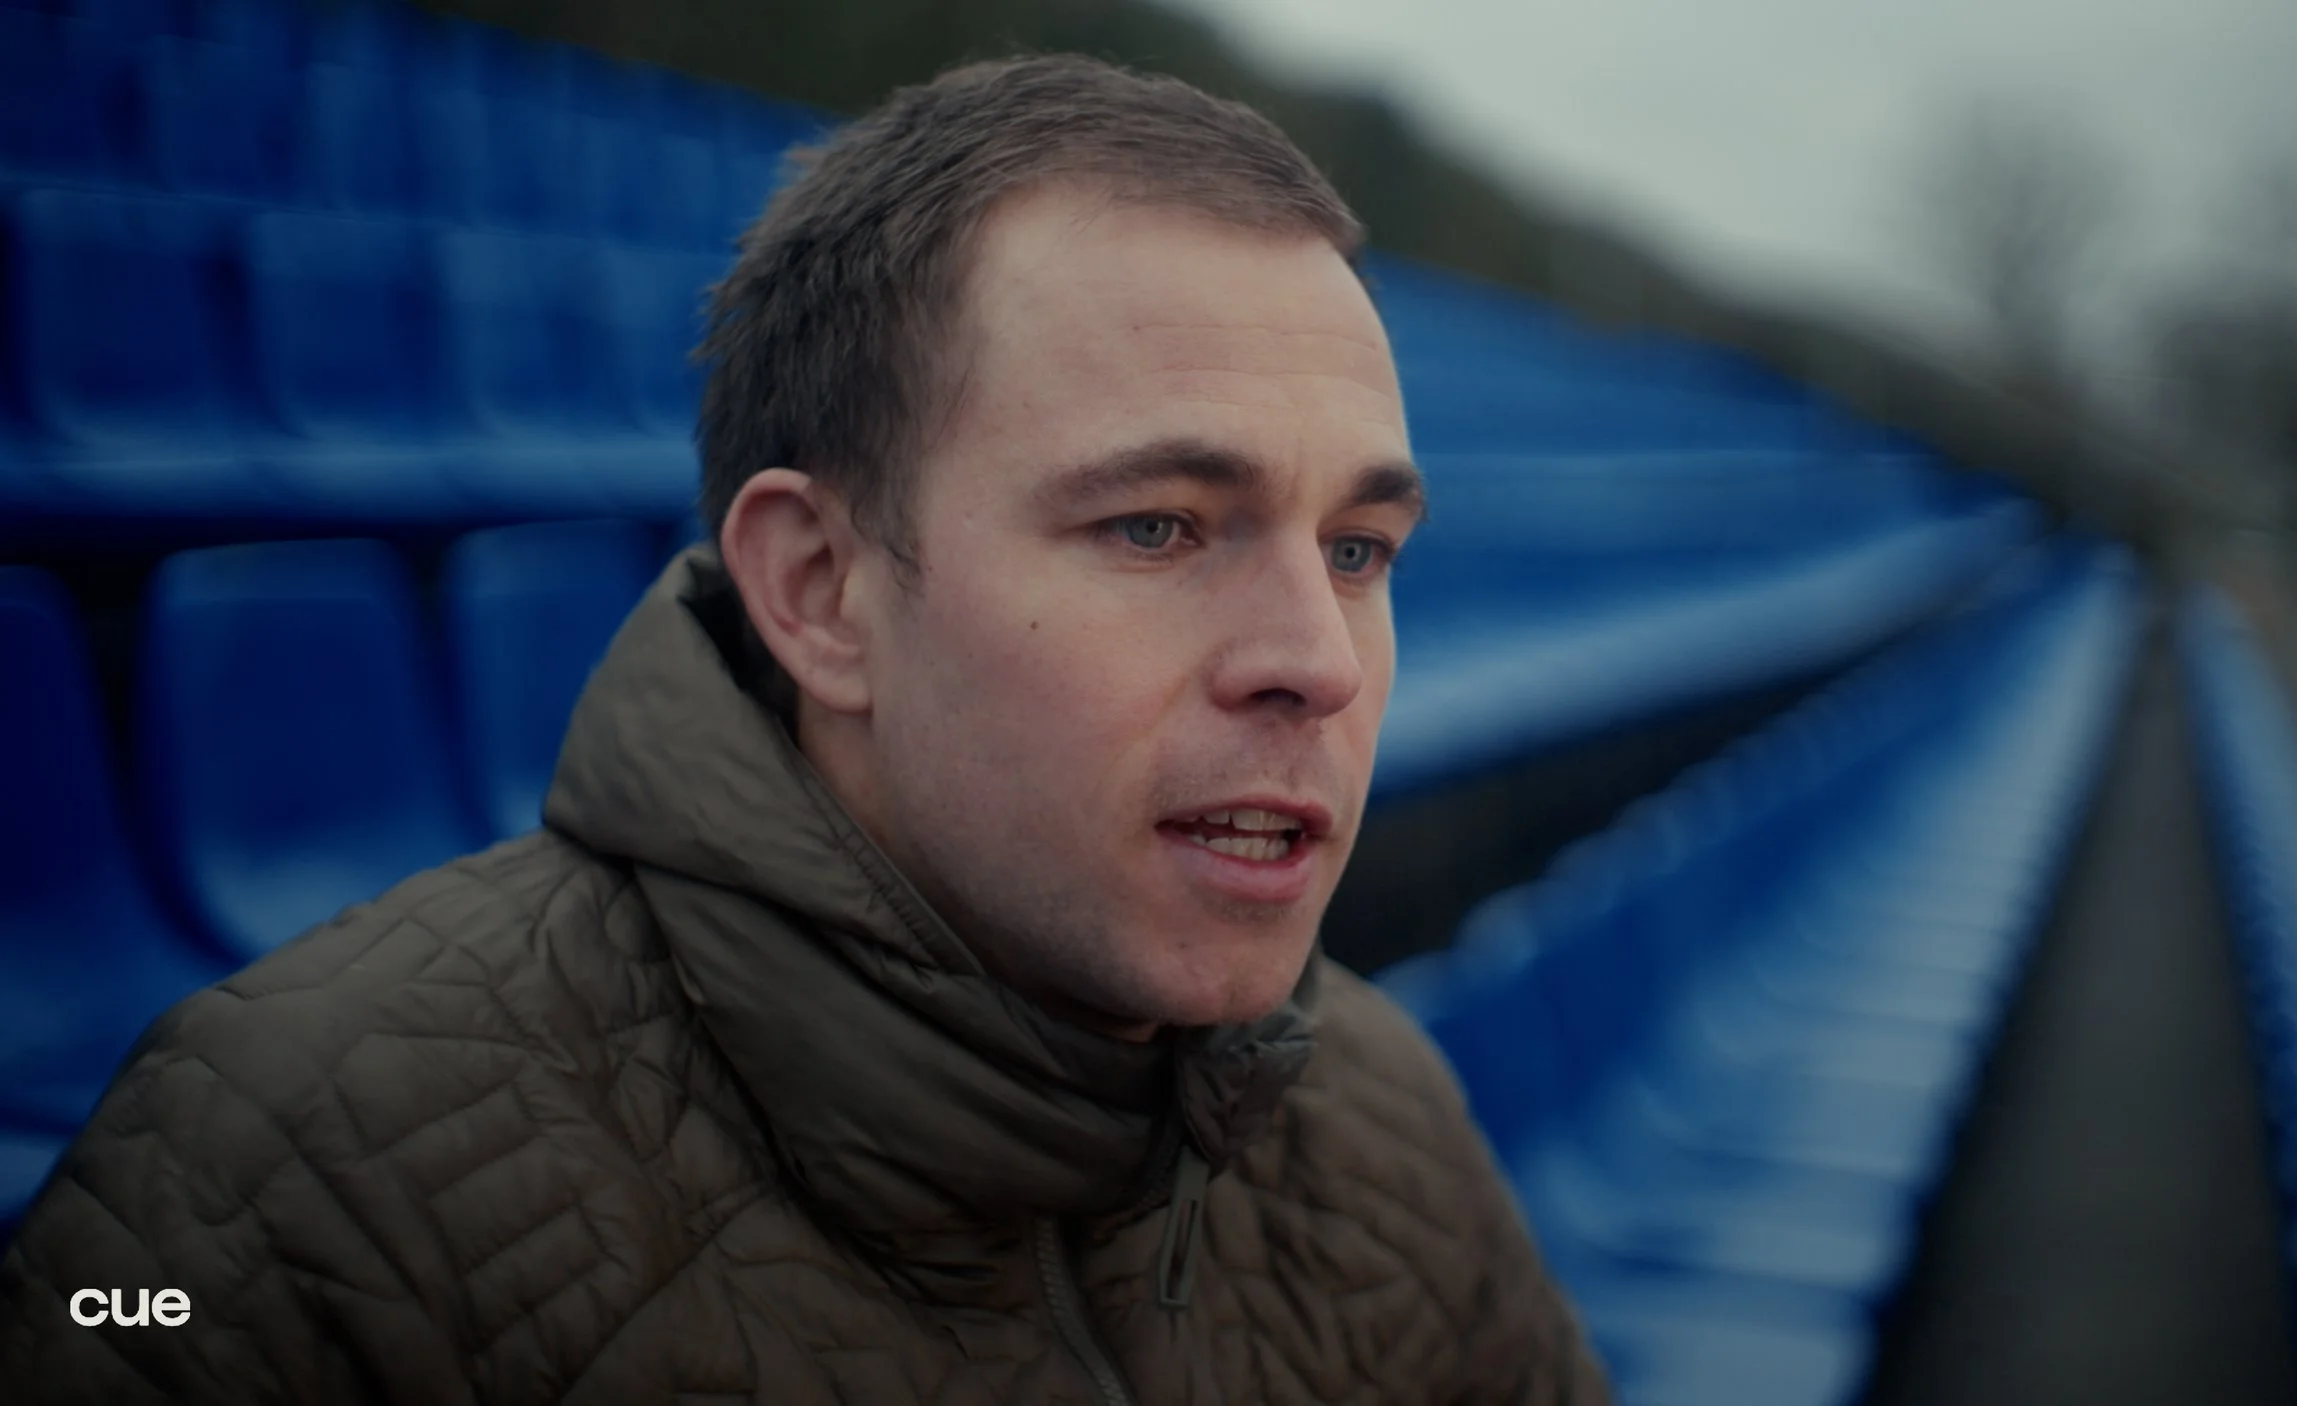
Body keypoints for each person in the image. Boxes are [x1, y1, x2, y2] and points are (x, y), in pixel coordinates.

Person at [0, 53, 1608, 1403]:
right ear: (822, 589)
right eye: (1162, 528)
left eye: (1357, 551)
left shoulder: (1384, 1115)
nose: (1318, 660)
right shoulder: (276, 1188)